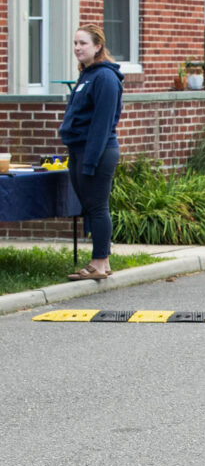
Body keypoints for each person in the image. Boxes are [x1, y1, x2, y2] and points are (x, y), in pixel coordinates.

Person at [59, 23, 123, 281]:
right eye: (75, 43)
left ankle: (98, 263)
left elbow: (101, 123)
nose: (77, 48)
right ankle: (102, 262)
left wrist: (90, 162)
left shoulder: (105, 77)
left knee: (97, 207)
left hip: (96, 151)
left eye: (83, 43)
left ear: (98, 46)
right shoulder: (87, 75)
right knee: (91, 206)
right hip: (79, 150)